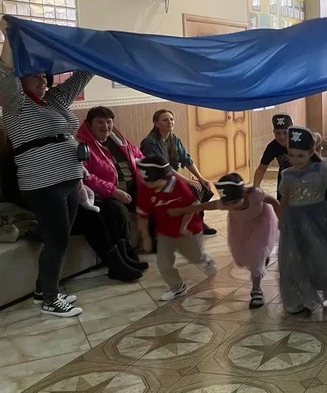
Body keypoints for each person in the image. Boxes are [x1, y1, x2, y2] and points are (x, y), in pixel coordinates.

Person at [0, 22, 93, 317]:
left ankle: (43, 289)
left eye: (43, 76)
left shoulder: (56, 100)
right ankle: (51, 300)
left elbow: (84, 74)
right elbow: (4, 72)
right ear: (21, 80)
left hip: (70, 179)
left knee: (61, 237)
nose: (41, 80)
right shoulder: (15, 104)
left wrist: (94, 47)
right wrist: (8, 35)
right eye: (34, 76)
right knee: (57, 240)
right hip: (42, 182)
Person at [277, 126, 327, 314]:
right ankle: (301, 297)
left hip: (319, 218)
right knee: (296, 259)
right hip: (295, 221)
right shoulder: (286, 174)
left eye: (301, 155)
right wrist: (281, 220)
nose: (295, 159)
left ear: (310, 153)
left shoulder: (321, 168)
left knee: (325, 256)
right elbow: (284, 199)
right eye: (292, 155)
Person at [170, 173, 279, 308]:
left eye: (235, 203)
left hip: (261, 225)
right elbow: (201, 207)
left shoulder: (255, 195)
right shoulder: (226, 203)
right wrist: (183, 210)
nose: (232, 207)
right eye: (228, 204)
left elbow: (274, 202)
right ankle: (261, 259)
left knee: (256, 255)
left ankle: (256, 290)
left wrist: (282, 219)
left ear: (244, 194)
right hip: (240, 227)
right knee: (244, 254)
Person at [76, 106, 149, 274]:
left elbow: (141, 160)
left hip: (131, 189)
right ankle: (126, 254)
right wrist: (113, 191)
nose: (105, 126)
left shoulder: (119, 141)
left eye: (109, 122)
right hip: (104, 196)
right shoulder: (82, 145)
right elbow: (86, 177)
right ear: (89, 125)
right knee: (118, 211)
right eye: (100, 122)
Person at [135, 155, 217, 301]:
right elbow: (142, 215)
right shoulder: (145, 188)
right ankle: (177, 287)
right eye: (147, 181)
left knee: (194, 257)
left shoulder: (179, 186)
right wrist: (146, 237)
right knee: (163, 262)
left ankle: (206, 260)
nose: (149, 184)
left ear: (165, 177)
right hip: (165, 231)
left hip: (189, 229)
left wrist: (183, 227)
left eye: (153, 181)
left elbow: (192, 207)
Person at [140, 109, 217, 235]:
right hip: (158, 182)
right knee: (191, 190)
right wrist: (187, 181)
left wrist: (201, 178)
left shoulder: (174, 139)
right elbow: (164, 168)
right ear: (156, 123)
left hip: (172, 180)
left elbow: (187, 160)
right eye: (165, 120)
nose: (170, 122)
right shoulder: (150, 142)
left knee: (204, 187)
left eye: (171, 119)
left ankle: (198, 221)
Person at [253, 113, 292, 199]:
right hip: (283, 182)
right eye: (278, 133)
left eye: (285, 133)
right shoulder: (273, 147)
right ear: (273, 132)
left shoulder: (300, 142)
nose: (282, 137)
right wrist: (256, 189)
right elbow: (261, 169)